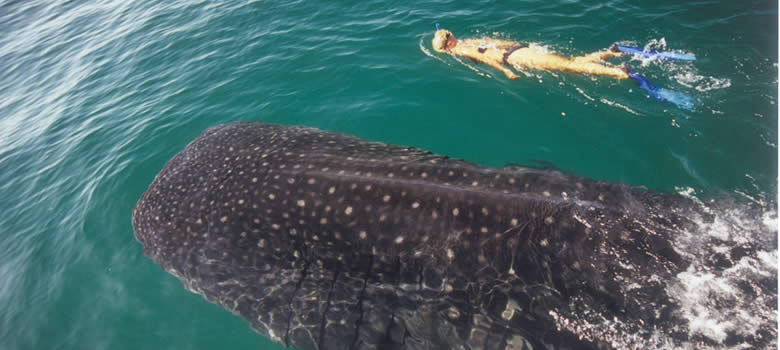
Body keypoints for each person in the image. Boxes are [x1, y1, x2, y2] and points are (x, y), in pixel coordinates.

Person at [432, 28, 627, 80]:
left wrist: (505, 72)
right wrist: (520, 45)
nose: (451, 32)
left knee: (569, 66)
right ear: (449, 40)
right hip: (519, 51)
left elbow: (485, 58)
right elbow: (499, 42)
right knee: (569, 62)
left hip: (515, 58)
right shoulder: (467, 41)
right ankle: (609, 53)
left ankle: (619, 72)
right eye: (448, 33)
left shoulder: (462, 49)